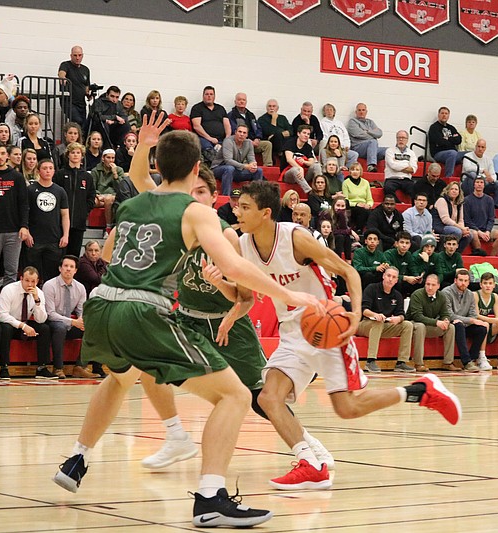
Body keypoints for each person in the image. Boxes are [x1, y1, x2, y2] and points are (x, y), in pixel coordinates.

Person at [51, 124, 327, 527]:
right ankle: (211, 497)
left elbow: (130, 197)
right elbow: (234, 266)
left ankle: (78, 457)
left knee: (119, 379)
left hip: (101, 306)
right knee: (234, 396)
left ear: (159, 165)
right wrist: (290, 296)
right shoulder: (195, 212)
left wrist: (144, 146)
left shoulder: (132, 204)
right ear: (197, 168)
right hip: (142, 311)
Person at [237, 179, 461, 492]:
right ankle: (310, 464)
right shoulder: (244, 244)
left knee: (347, 408)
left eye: (245, 206)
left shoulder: (296, 239)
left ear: (265, 213)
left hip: (327, 327)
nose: (237, 210)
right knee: (268, 398)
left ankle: (420, 390)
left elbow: (349, 272)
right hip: (292, 330)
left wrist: (355, 315)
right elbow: (244, 295)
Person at [140, 168, 332, 473]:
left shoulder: (230, 236)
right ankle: (176, 434)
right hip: (188, 318)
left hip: (225, 323)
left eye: (202, 192)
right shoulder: (179, 226)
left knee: (261, 397)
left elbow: (244, 297)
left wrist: (224, 299)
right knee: (148, 363)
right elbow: (144, 185)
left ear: (216, 197)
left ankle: (307, 442)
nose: (195, 197)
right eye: (192, 191)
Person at [0, 142, 30, 304]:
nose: (0, 157)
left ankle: (7, 303)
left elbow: (24, 204)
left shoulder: (17, 177)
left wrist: (24, 226)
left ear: (7, 156)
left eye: (3, 153)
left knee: (11, 270)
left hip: (14, 230)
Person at [0, 266, 54, 378]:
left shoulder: (39, 293)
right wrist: (22, 326)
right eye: (27, 280)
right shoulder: (9, 289)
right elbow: (2, 315)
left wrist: (37, 301)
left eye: (33, 281)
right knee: (5, 328)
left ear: (37, 281)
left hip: (24, 323)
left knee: (44, 328)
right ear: (21, 278)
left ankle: (42, 367)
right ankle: (4, 367)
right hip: (11, 323)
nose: (30, 284)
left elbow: (41, 319)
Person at [357, 266, 415, 373]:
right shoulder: (372, 288)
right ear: (383, 276)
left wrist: (398, 318)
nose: (390, 279)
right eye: (388, 276)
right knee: (378, 322)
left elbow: (402, 314)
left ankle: (401, 362)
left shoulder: (397, 295)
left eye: (393, 277)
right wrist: (375, 315)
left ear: (397, 280)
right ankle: (370, 361)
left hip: (384, 325)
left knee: (407, 325)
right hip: (366, 324)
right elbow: (364, 310)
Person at [24, 159, 69, 282]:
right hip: (34, 240)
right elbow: (24, 213)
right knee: (33, 275)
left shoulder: (60, 191)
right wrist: (27, 232)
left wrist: (66, 235)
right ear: (38, 171)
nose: (48, 171)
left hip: (54, 239)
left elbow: (65, 215)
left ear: (54, 171)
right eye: (44, 168)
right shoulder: (30, 190)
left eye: (50, 168)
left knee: (52, 277)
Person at [43, 255, 85, 380]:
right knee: (60, 328)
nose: (68, 269)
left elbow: (81, 310)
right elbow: (50, 313)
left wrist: (81, 320)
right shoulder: (49, 285)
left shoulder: (80, 288)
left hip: (71, 322)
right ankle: (58, 368)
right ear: (60, 268)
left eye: (71, 267)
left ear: (75, 270)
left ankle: (80, 367)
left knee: (91, 328)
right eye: (65, 266)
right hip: (53, 322)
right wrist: (73, 321)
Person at [406, 273, 457, 372]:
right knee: (420, 326)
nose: (430, 287)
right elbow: (417, 316)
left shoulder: (442, 296)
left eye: (433, 285)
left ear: (438, 286)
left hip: (429, 325)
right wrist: (437, 322)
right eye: (428, 284)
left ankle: (448, 362)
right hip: (414, 324)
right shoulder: (417, 294)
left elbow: (445, 313)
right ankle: (418, 363)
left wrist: (446, 320)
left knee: (450, 327)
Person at [442, 268, 489, 372]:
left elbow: (473, 315)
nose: (463, 283)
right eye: (460, 280)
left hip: (464, 324)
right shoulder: (446, 292)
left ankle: (472, 358)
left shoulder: (470, 294)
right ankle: (466, 362)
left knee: (482, 329)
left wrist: (466, 321)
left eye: (466, 281)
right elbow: (449, 314)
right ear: (455, 280)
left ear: (468, 282)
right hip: (449, 324)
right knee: (458, 325)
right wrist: (469, 321)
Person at [210, 124, 264, 196]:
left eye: (244, 133)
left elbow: (251, 157)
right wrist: (245, 166)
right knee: (229, 168)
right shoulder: (228, 141)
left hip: (237, 169)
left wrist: (253, 165)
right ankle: (226, 196)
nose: (241, 134)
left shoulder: (249, 143)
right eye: (240, 132)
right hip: (219, 168)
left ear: (247, 135)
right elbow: (228, 160)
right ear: (235, 132)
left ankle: (255, 197)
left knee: (258, 170)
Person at [227, 92, 272, 166]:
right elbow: (233, 131)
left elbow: (258, 128)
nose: (241, 101)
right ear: (235, 102)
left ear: (246, 102)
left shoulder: (251, 115)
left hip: (254, 142)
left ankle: (268, 167)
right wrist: (248, 140)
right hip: (241, 143)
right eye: (239, 100)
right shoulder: (231, 115)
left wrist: (257, 138)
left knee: (267, 144)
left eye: (243, 100)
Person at [464, 176, 498, 256]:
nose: (479, 184)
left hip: (485, 230)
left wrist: (487, 231)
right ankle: (479, 254)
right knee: (474, 234)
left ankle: (491, 257)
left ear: (484, 185)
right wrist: (479, 232)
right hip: (473, 229)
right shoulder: (467, 200)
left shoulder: (489, 200)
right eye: (477, 182)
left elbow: (491, 218)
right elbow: (467, 221)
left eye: (481, 182)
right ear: (474, 185)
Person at [461, 139, 498, 207]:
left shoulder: (488, 159)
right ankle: (472, 203)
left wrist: (491, 179)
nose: (480, 149)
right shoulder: (467, 156)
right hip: (467, 183)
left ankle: (497, 208)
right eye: (478, 146)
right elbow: (467, 168)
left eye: (482, 147)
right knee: (472, 174)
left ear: (485, 148)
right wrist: (483, 170)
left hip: (484, 182)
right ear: (475, 147)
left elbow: (493, 174)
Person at [190, 85, 230, 155]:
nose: (209, 96)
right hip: (204, 139)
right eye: (207, 94)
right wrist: (210, 138)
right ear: (203, 96)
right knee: (209, 151)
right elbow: (196, 126)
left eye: (211, 94)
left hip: (221, 140)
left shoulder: (220, 108)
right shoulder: (197, 108)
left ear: (214, 96)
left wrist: (227, 139)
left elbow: (227, 125)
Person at [346, 103, 386, 172]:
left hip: (372, 148)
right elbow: (358, 134)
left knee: (388, 151)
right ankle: (371, 166)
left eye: (363, 110)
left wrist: (368, 131)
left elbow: (379, 133)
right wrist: (373, 135)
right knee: (373, 141)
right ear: (356, 112)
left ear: (366, 112)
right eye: (359, 110)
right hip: (358, 148)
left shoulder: (370, 122)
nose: (361, 112)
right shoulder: (352, 121)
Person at [433, 181, 471, 253]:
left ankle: (456, 254)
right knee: (457, 232)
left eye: (456, 189)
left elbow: (461, 220)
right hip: (440, 226)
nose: (454, 191)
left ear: (459, 192)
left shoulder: (459, 203)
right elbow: (445, 220)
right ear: (447, 190)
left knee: (469, 235)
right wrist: (461, 228)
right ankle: (447, 253)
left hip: (453, 226)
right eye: (452, 189)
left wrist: (463, 229)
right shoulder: (442, 200)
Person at [280, 124, 320, 193]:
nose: (306, 135)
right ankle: (309, 192)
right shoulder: (290, 143)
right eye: (304, 133)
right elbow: (289, 159)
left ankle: (319, 189)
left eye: (308, 134)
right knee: (295, 169)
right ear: (298, 133)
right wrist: (299, 168)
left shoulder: (308, 147)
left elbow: (311, 161)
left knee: (317, 166)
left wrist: (304, 162)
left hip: (303, 174)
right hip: (288, 173)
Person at [91, 148, 124, 232]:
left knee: (108, 199)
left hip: (113, 196)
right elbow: (92, 187)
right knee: (93, 201)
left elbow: (121, 188)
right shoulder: (95, 171)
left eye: (113, 158)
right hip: (99, 197)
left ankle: (108, 228)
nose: (111, 160)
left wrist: (115, 174)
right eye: (108, 158)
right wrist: (98, 195)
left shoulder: (119, 170)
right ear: (103, 158)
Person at [57, 46, 91, 127]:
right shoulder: (65, 65)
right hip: (69, 102)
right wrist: (62, 78)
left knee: (83, 124)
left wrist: (89, 94)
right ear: (71, 55)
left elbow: (86, 86)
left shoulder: (86, 69)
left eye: (79, 55)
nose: (77, 58)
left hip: (81, 103)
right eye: (75, 55)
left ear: (82, 56)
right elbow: (61, 73)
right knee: (77, 120)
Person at [428, 106, 463, 178]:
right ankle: (448, 178)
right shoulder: (434, 127)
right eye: (442, 113)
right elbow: (440, 142)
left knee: (470, 154)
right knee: (452, 153)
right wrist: (452, 139)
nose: (444, 115)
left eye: (446, 113)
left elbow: (459, 140)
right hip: (438, 154)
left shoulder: (451, 128)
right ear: (439, 115)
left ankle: (467, 178)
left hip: (453, 153)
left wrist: (447, 139)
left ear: (448, 116)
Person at [383, 130, 418, 199]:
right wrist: (406, 164)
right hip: (392, 179)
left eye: (403, 138)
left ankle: (413, 208)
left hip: (406, 179)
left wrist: (397, 163)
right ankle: (398, 203)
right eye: (399, 138)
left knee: (415, 190)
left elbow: (413, 169)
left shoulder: (411, 153)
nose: (401, 140)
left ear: (407, 140)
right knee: (388, 188)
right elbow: (393, 166)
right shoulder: (389, 151)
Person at [341, 162, 372, 232]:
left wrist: (369, 205)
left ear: (360, 172)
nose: (355, 172)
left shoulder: (366, 182)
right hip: (352, 206)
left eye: (357, 170)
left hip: (364, 206)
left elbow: (370, 199)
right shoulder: (346, 183)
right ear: (350, 172)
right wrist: (356, 204)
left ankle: (368, 232)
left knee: (372, 212)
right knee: (362, 211)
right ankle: (359, 230)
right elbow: (345, 199)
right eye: (353, 170)